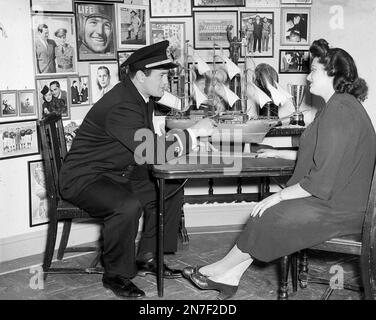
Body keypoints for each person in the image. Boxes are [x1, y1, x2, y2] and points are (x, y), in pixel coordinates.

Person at [182, 38, 376, 300]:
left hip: (342, 209)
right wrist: (281, 152)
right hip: (340, 199)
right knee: (270, 211)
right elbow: (326, 156)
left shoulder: (338, 111)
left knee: (270, 212)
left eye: (314, 70)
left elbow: (322, 179)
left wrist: (280, 195)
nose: (308, 77)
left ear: (333, 74)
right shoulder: (341, 106)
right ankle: (228, 274)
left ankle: (222, 270)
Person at [58, 40, 216, 298]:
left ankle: (149, 256)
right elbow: (152, 150)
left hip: (115, 172)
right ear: (141, 75)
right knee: (126, 206)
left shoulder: (139, 96)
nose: (167, 82)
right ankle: (116, 275)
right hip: (84, 178)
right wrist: (195, 135)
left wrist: (192, 143)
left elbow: (148, 143)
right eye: (163, 75)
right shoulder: (123, 104)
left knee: (170, 188)